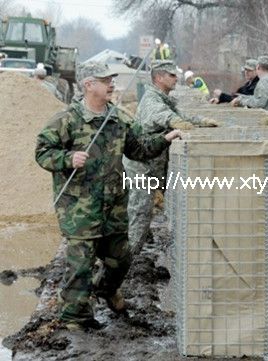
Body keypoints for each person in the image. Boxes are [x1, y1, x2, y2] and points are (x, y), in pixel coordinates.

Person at [35, 61, 182, 331]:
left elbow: (139, 150)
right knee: (81, 263)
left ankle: (106, 290)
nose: (111, 84)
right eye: (106, 80)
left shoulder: (119, 118)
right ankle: (75, 318)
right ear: (89, 84)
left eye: (112, 79)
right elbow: (43, 152)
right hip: (80, 207)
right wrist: (67, 158)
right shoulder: (66, 120)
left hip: (113, 206)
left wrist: (166, 137)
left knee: (121, 258)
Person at [123, 60, 219, 255]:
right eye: (172, 75)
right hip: (141, 166)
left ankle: (129, 253)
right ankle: (126, 261)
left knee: (141, 213)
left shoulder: (163, 97)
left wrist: (203, 122)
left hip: (152, 164)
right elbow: (166, 116)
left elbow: (179, 114)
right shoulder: (152, 100)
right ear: (159, 77)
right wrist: (178, 124)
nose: (176, 78)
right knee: (139, 213)